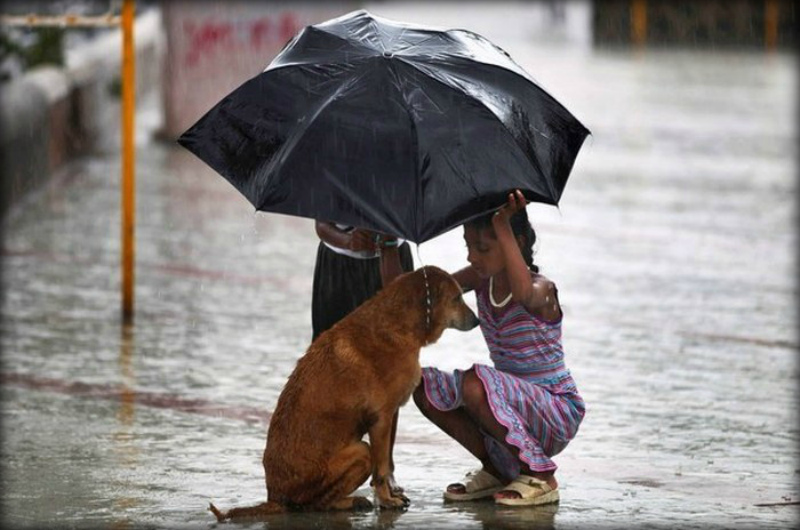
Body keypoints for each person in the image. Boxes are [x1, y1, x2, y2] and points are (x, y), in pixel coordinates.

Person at [413, 190, 585, 506]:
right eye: (468, 245)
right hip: (504, 407)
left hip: (554, 410)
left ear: (514, 243)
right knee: (420, 385)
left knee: (476, 383)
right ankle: (497, 468)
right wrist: (388, 245)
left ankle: (541, 475)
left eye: (483, 248)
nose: (471, 257)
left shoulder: (541, 288)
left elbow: (522, 293)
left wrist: (502, 222)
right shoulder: (481, 279)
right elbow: (423, 296)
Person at [312, 221, 414, 341]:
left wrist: (388, 243)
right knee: (331, 347)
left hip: (394, 254)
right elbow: (322, 224)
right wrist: (348, 241)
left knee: (397, 341)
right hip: (339, 264)